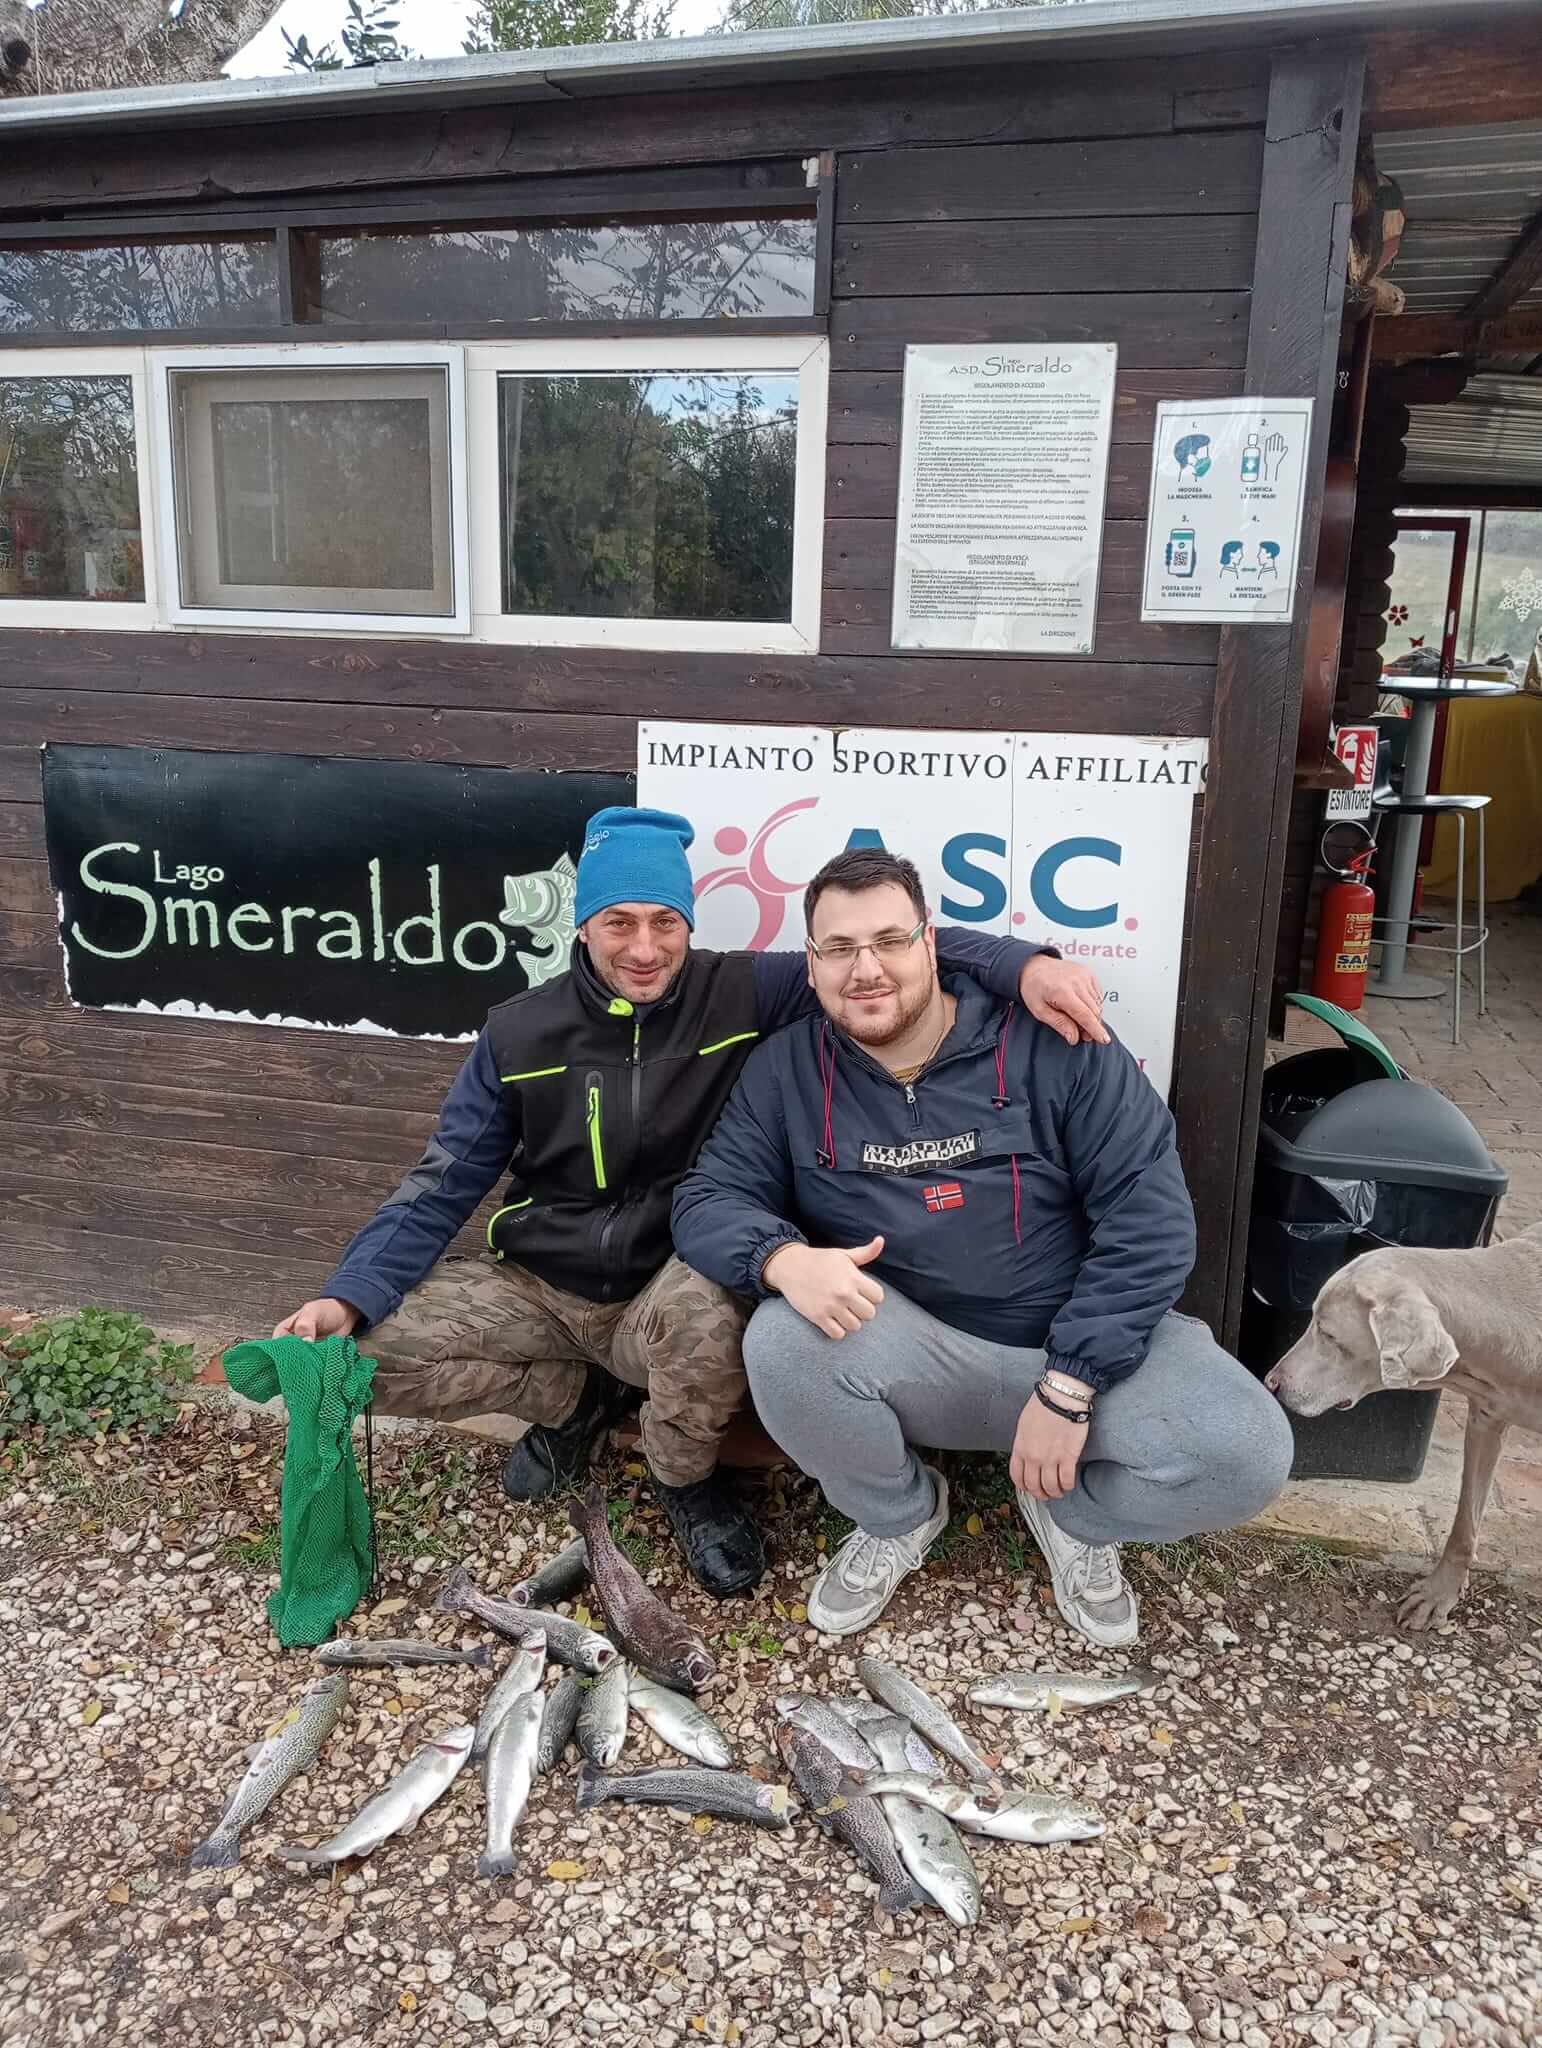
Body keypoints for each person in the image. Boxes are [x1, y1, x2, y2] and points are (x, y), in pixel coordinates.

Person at [274, 809, 1109, 1600]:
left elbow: (885, 955)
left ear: (688, 922)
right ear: (583, 926)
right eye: (619, 922)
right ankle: (576, 1405)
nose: (644, 947)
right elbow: (443, 1179)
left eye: (664, 922)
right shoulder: (518, 1033)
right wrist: (347, 1294)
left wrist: (1023, 965)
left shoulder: (742, 992)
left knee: (711, 1321)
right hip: (537, 1281)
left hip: (668, 1276)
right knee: (353, 1366)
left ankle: (685, 1482)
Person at [671, 847, 1294, 1641]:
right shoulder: (786, 1070)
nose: (866, 969)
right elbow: (707, 1197)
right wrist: (780, 1258)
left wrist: (1072, 1382)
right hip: (914, 1353)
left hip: (1084, 1355)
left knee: (1248, 1453)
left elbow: (1152, 1222)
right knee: (784, 1340)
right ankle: (898, 1516)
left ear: (932, 945)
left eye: (891, 941)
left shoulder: (1058, 1045)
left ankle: (1071, 1513)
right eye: (838, 949)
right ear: (813, 965)